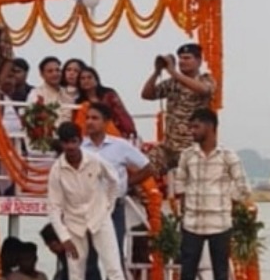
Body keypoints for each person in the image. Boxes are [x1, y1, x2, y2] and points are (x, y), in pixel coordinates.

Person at [46, 122, 135, 280]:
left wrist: (107, 207)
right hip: (74, 226)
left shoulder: (95, 161)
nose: (70, 147)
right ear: (61, 144)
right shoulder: (57, 171)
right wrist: (64, 238)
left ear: (80, 141)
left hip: (99, 220)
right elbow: (53, 207)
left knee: (113, 268)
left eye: (74, 142)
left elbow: (115, 182)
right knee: (76, 275)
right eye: (66, 143)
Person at [174, 108, 250, 280]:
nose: (192, 131)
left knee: (220, 274)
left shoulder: (228, 156)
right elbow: (179, 184)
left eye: (196, 126)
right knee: (187, 274)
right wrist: (184, 205)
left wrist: (224, 199)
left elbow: (244, 188)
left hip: (220, 222)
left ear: (210, 127)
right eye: (191, 126)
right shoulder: (187, 155)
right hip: (192, 224)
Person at [82, 102, 153, 252]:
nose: (89, 122)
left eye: (95, 118)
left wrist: (126, 183)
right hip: (88, 206)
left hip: (114, 206)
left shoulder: (120, 145)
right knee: (88, 255)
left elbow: (148, 167)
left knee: (115, 252)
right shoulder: (81, 147)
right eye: (87, 118)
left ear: (106, 122)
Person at [140, 42, 216, 173]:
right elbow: (147, 94)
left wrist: (173, 72)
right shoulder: (172, 83)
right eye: (180, 58)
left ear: (198, 61)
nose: (182, 62)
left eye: (187, 58)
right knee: (143, 169)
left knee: (189, 186)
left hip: (192, 146)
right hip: (169, 146)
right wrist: (157, 71)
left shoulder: (205, 79)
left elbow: (204, 90)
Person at [75, 66, 137, 140]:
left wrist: (129, 131)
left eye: (89, 77)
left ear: (96, 80)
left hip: (116, 135)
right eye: (83, 78)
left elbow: (121, 114)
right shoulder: (79, 102)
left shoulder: (109, 95)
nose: (86, 80)